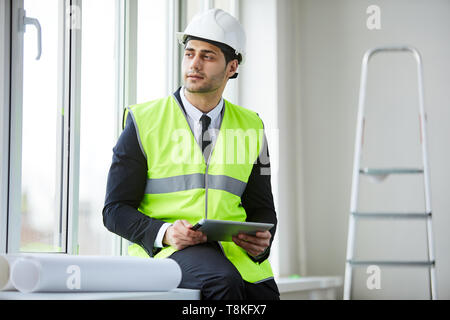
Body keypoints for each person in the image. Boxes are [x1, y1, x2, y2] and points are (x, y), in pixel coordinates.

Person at [103, 8, 279, 300]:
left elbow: (262, 208)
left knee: (263, 298)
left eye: (207, 56)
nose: (194, 64)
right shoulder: (143, 120)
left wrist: (262, 241)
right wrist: (166, 232)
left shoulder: (252, 126)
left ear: (232, 67)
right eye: (189, 53)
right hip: (170, 251)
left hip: (233, 257)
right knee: (221, 282)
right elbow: (114, 210)